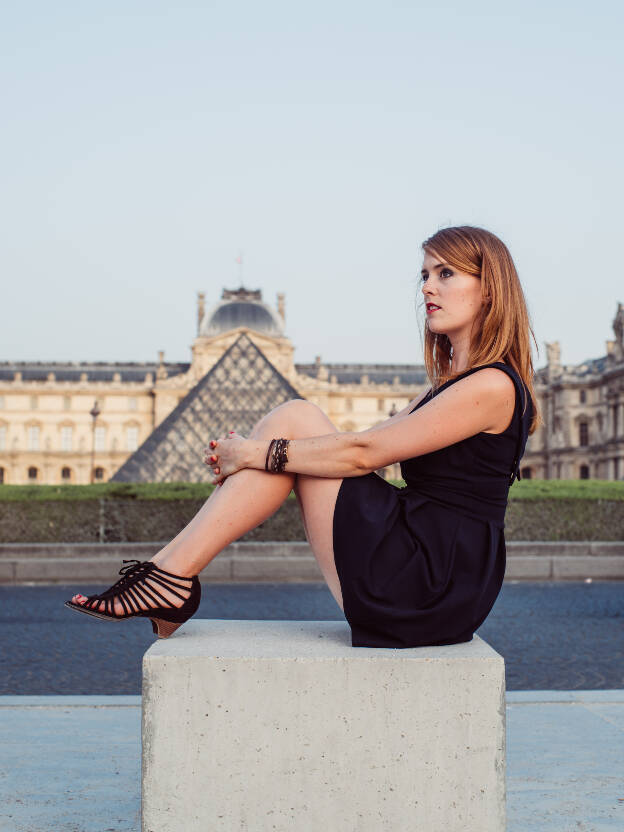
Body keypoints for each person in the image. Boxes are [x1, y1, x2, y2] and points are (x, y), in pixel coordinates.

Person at [66, 225, 540, 647]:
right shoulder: (445, 387)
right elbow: (361, 446)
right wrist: (257, 457)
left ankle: (168, 579)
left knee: (294, 417)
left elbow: (362, 453)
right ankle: (168, 577)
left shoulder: (491, 384)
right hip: (431, 563)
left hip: (430, 579)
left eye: (445, 274)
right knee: (293, 426)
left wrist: (253, 452)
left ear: (490, 290)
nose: (428, 288)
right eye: (425, 275)